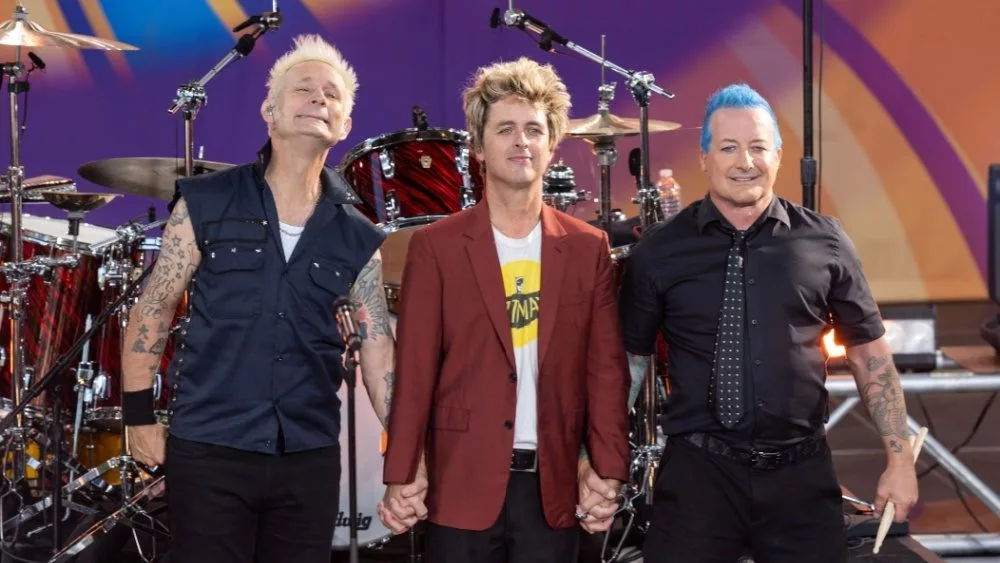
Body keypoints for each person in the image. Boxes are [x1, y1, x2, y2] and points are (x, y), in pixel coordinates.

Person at [120, 34, 394, 563]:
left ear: (345, 126)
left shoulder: (361, 237)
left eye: (332, 95)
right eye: (304, 89)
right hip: (209, 450)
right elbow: (154, 306)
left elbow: (379, 351)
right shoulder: (207, 201)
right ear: (270, 110)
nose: (319, 99)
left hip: (308, 460)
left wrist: (408, 454)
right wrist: (138, 416)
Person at [618, 83, 919, 562]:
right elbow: (629, 368)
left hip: (801, 477)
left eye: (758, 147)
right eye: (729, 147)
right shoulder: (658, 251)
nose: (745, 161)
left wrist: (900, 461)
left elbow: (869, 353)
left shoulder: (826, 241)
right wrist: (601, 466)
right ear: (704, 158)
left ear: (778, 156)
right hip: (698, 478)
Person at [377, 57, 631, 562]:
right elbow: (416, 371)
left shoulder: (587, 247)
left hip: (553, 487)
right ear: (478, 146)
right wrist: (404, 473)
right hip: (460, 485)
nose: (521, 141)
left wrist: (605, 470)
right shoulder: (436, 247)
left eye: (534, 129)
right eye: (506, 129)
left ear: (552, 145)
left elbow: (605, 372)